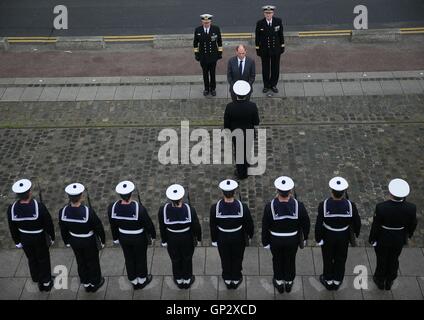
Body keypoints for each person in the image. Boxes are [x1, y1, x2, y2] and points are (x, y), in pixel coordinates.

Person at [262, 176, 310, 293]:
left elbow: (265, 226)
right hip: (292, 240)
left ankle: (279, 281)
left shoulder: (269, 207)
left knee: (277, 260)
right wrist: (305, 238)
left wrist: (266, 242)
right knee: (290, 260)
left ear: (277, 190)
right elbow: (306, 223)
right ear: (290, 191)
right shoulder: (299, 206)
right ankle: (288, 282)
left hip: (276, 240)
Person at [7, 178, 55, 292]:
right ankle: (46, 282)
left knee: (31, 259)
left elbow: (12, 227)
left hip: (24, 238)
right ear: (29, 192)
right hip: (39, 238)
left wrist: (17, 241)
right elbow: (48, 224)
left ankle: (37, 278)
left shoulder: (12, 209)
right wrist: (51, 237)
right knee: (43, 259)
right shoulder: (39, 207)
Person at [369, 178, 417, 290]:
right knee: (394, 258)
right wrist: (408, 235)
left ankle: (380, 279)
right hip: (399, 238)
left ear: (391, 193)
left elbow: (376, 226)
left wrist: (372, 238)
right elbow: (413, 224)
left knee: (381, 259)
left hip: (383, 238)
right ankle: (390, 280)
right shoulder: (411, 208)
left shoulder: (381, 207)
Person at [108, 180, 156, 290]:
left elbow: (113, 225)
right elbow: (148, 224)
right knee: (141, 258)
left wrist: (115, 238)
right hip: (139, 238)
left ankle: (133, 280)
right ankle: (142, 279)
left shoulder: (112, 207)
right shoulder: (139, 208)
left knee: (129, 258)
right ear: (131, 194)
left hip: (123, 238)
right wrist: (153, 236)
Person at [315, 177, 361, 290]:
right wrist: (356, 233)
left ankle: (328, 279)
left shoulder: (323, 205)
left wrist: (318, 238)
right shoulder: (351, 205)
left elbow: (318, 224)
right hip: (343, 236)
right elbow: (357, 222)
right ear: (344, 192)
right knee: (341, 258)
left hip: (328, 236)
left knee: (327, 258)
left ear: (331, 191)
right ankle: (337, 280)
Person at [59, 183, 105, 292]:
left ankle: (86, 282)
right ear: (81, 197)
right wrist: (102, 240)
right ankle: (95, 282)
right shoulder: (88, 212)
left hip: (74, 240)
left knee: (81, 262)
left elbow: (63, 229)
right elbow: (98, 227)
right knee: (92, 262)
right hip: (88, 241)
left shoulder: (63, 211)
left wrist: (67, 241)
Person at [210, 179, 254, 289]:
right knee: (237, 258)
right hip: (238, 238)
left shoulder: (215, 208)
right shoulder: (242, 207)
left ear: (222, 192)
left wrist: (214, 240)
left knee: (225, 258)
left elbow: (213, 226)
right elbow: (249, 223)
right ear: (234, 192)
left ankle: (227, 278)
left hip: (222, 238)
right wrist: (250, 234)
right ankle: (236, 277)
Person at [158, 184, 202, 289]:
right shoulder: (190, 209)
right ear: (181, 197)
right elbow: (196, 226)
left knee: (175, 259)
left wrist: (164, 241)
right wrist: (198, 238)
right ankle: (187, 279)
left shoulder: (162, 210)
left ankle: (178, 279)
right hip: (186, 239)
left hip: (171, 239)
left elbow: (162, 227)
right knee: (187, 259)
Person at [224, 80, 260, 180]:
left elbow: (226, 124)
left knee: (239, 153)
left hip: (236, 134)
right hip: (249, 133)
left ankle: (241, 173)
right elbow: (256, 122)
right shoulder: (252, 106)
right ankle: (247, 167)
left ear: (235, 94)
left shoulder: (230, 106)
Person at [255, 5, 285, 94]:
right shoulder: (260, 23)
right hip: (265, 50)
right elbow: (257, 37)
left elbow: (280, 35)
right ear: (264, 14)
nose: (268, 15)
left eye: (270, 13)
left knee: (275, 68)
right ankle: (266, 85)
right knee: (265, 69)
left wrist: (282, 46)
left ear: (273, 13)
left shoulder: (278, 21)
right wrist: (258, 49)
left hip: (276, 49)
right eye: (266, 13)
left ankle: (273, 85)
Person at [193, 14, 223, 96]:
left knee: (212, 73)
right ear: (202, 22)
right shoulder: (198, 30)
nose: (206, 24)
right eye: (204, 22)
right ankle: (206, 89)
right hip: (203, 57)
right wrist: (196, 54)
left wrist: (220, 53)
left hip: (213, 56)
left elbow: (219, 41)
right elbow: (195, 43)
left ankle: (213, 89)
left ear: (210, 21)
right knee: (205, 74)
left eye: (208, 22)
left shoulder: (216, 29)